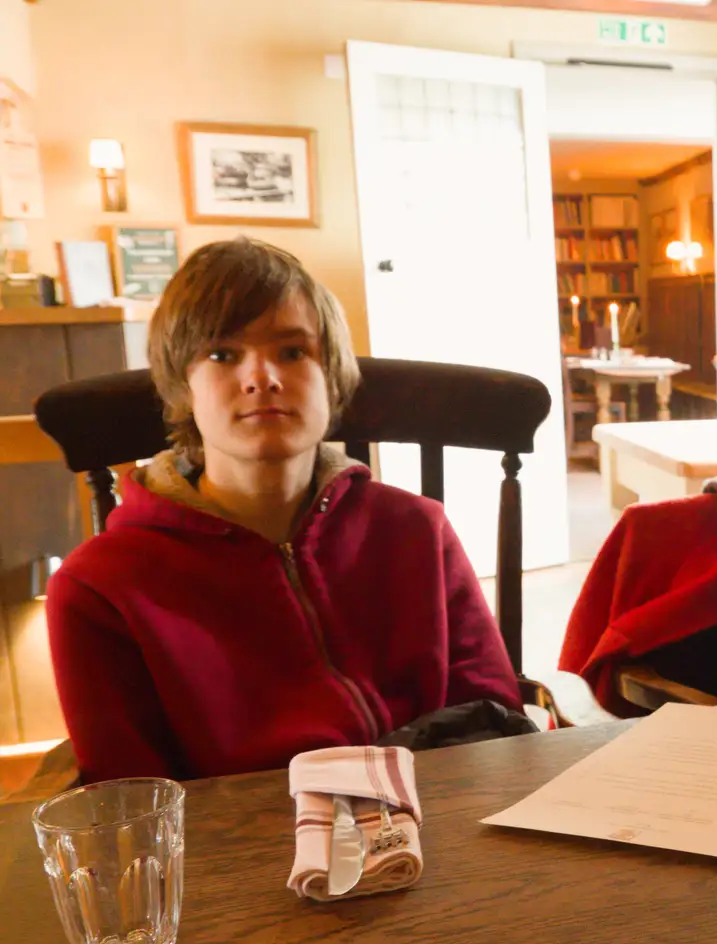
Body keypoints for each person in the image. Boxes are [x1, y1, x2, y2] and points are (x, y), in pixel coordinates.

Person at [46, 238, 522, 783]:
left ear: (332, 375)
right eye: (222, 354)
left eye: (293, 352)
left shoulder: (417, 528)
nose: (262, 377)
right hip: (236, 855)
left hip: (437, 822)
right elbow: (133, 800)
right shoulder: (99, 589)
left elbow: (492, 719)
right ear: (183, 388)